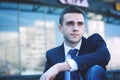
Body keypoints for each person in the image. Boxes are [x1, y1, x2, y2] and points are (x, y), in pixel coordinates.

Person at [40, 5, 110, 80]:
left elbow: (104, 56)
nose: (75, 28)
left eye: (80, 24)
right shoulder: (52, 55)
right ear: (60, 28)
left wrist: (60, 67)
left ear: (83, 28)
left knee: (95, 70)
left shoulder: (94, 42)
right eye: (70, 23)